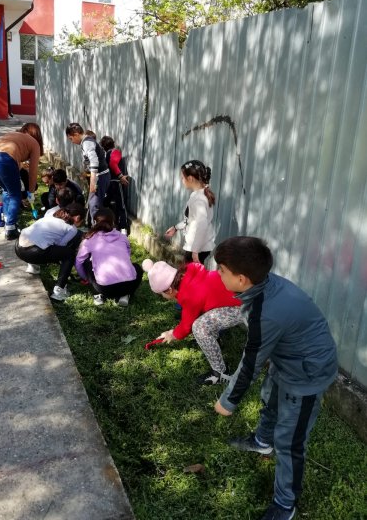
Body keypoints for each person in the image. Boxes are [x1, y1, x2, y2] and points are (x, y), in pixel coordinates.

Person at [213, 237, 338, 520]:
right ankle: (262, 441)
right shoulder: (263, 285)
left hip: (307, 373)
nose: (217, 273)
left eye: (221, 270)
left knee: (290, 441)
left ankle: (285, 505)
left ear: (241, 279)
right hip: (288, 358)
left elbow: (250, 363)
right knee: (270, 398)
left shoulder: (266, 312)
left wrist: (228, 401)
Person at [142, 258, 242, 382]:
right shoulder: (190, 276)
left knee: (199, 327)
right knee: (204, 320)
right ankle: (214, 341)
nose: (163, 297)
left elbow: (186, 326)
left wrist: (172, 334)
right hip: (243, 297)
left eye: (161, 294)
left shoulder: (190, 294)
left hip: (246, 307)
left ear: (169, 290)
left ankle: (220, 373)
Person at [0, 123, 43, 240]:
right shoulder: (34, 143)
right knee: (15, 195)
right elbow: (33, 172)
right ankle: (11, 229)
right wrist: (31, 192)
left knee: (7, 190)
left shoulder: (15, 136)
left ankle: (7, 219)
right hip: (4, 159)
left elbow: (17, 164)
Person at [15, 202, 86, 301]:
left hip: (18, 247)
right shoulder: (72, 229)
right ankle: (59, 291)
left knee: (41, 241)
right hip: (32, 253)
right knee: (69, 255)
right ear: (78, 218)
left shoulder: (51, 216)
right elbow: (60, 245)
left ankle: (33, 267)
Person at [75, 207, 142, 307]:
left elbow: (79, 261)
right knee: (137, 267)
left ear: (94, 222)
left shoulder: (89, 240)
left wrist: (86, 278)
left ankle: (98, 295)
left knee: (86, 263)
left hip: (104, 288)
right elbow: (127, 256)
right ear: (113, 222)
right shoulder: (123, 237)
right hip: (129, 285)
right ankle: (125, 295)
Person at [165, 160, 216, 264]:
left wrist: (195, 250)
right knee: (192, 271)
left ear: (190, 178)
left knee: (188, 272)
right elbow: (191, 219)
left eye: (182, 177)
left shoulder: (199, 199)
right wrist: (176, 227)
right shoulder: (200, 194)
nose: (182, 180)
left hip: (197, 247)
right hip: (200, 245)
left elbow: (202, 224)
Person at [65, 123, 110, 223]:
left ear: (76, 134)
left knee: (94, 205)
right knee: (92, 203)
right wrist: (86, 172)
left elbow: (94, 162)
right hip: (100, 176)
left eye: (71, 139)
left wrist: (93, 183)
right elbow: (89, 161)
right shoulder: (86, 142)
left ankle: (98, 228)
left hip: (101, 177)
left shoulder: (87, 143)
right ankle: (93, 224)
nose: (72, 142)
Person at [100, 135, 130, 233]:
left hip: (109, 183)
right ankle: (123, 228)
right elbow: (113, 164)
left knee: (107, 203)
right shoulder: (115, 152)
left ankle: (108, 224)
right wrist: (121, 176)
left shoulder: (106, 155)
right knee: (121, 205)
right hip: (117, 183)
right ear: (113, 143)